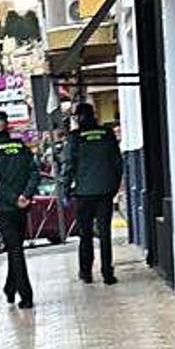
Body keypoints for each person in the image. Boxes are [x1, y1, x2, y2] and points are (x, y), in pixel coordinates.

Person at [0, 111, 39, 309]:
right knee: (14, 249)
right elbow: (34, 172)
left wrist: (15, 199)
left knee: (15, 250)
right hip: (21, 207)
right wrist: (26, 195)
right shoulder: (21, 146)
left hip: (5, 208)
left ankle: (26, 295)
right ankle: (10, 287)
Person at [62, 103, 124, 285]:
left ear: (78, 118)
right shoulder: (107, 134)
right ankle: (107, 273)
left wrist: (66, 189)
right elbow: (118, 164)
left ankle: (86, 272)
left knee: (85, 234)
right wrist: (112, 188)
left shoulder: (75, 137)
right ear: (94, 115)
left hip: (83, 194)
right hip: (105, 192)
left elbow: (69, 166)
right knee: (105, 233)